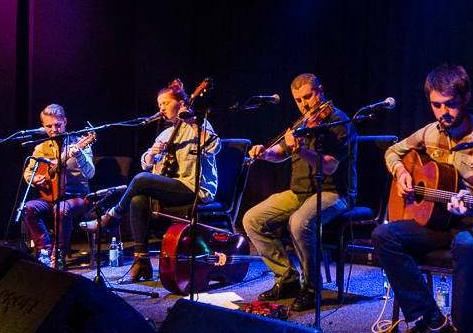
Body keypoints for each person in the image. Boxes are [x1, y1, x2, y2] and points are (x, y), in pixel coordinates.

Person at [371, 63, 473, 333]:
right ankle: (432, 321)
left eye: (450, 104)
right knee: (384, 235)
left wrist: (472, 203)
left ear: (466, 98)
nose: (443, 113)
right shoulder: (430, 132)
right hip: (442, 221)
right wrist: (401, 173)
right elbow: (393, 152)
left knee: (465, 242)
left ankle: (467, 332)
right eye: (436, 105)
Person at [242, 73, 356, 313]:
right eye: (298, 100)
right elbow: (281, 152)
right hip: (300, 192)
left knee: (299, 222)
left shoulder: (338, 122)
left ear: (320, 90)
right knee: (252, 219)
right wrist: (264, 153)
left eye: (308, 97)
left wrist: (301, 150)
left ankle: (312, 289)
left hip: (335, 193)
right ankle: (287, 279)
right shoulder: (302, 123)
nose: (304, 104)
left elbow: (330, 166)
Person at [91, 79, 220, 283]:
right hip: (171, 188)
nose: (161, 108)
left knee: (141, 180)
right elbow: (147, 164)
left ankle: (112, 215)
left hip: (194, 188)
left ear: (181, 103)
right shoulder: (166, 133)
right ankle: (141, 262)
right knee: (138, 200)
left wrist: (193, 123)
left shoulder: (199, 125)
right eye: (159, 105)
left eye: (166, 103)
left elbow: (215, 147)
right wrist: (151, 154)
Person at [22, 103, 96, 268]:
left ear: (65, 122)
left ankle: (58, 258)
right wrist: (33, 179)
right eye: (49, 126)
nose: (54, 129)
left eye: (58, 125)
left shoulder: (80, 142)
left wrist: (80, 156)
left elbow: (91, 173)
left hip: (79, 197)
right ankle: (45, 253)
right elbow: (28, 171)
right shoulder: (40, 148)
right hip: (52, 197)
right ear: (43, 126)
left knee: (61, 209)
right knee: (27, 208)